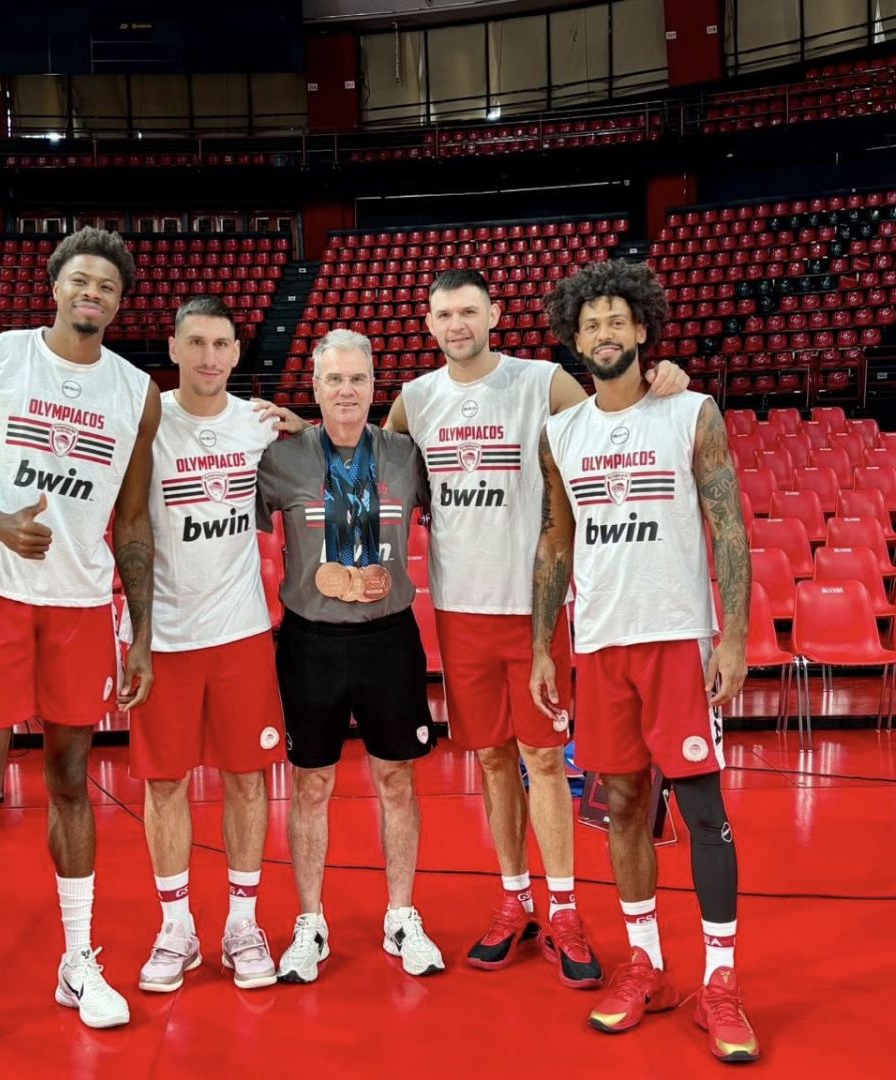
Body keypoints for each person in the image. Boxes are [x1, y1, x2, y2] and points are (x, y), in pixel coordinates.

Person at [257, 270, 689, 988]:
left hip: (529, 609)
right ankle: (515, 898)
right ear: (428, 324)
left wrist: (657, 383)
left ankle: (564, 910)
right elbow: (355, 456)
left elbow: (609, 418)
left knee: (544, 760)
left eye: (468, 310)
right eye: (444, 313)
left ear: (494, 313)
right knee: (492, 760)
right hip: (458, 613)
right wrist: (304, 431)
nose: (456, 324)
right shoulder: (417, 400)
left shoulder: (541, 381)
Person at [0, 227, 160, 1064]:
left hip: (83, 606)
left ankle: (77, 963)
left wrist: (141, 633)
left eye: (108, 287)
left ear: (119, 304)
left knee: (71, 785)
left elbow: (133, 519)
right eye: (81, 280)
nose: (93, 294)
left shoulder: (136, 392)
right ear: (55, 286)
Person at [529, 260, 758, 1061]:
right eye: (590, 323)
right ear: (574, 337)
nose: (604, 333)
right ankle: (647, 964)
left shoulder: (690, 411)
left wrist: (734, 636)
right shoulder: (561, 433)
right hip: (600, 644)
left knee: (702, 810)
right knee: (622, 805)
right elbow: (556, 543)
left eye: (616, 320)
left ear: (642, 329)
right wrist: (542, 648)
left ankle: (721, 982)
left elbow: (728, 526)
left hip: (677, 640)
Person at [255, 328, 442, 983]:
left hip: (389, 639)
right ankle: (311, 921)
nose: (345, 391)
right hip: (311, 642)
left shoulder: (405, 455)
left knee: (398, 781)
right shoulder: (281, 459)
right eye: (333, 379)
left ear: (373, 385)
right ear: (314, 386)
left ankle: (401, 915)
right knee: (312, 785)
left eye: (357, 379)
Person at [128, 296, 285, 994]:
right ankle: (177, 927)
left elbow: (322, 445)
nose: (209, 357)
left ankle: (243, 923)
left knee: (247, 778)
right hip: (165, 636)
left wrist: (299, 418)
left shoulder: (257, 423)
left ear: (237, 353)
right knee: (164, 783)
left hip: (241, 633)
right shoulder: (146, 420)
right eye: (196, 342)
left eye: (221, 344)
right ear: (172, 347)